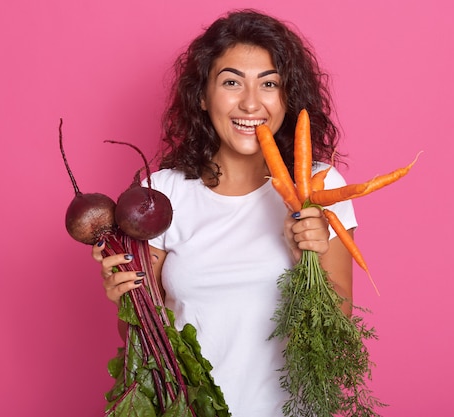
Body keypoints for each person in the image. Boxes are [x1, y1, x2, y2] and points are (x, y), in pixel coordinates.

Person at [93, 9, 357, 417]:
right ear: (201, 95)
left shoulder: (318, 187)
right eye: (231, 82)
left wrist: (311, 255)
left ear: (288, 97)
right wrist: (123, 298)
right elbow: (140, 342)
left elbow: (337, 336)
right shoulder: (161, 193)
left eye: (269, 84)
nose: (251, 103)